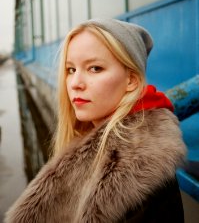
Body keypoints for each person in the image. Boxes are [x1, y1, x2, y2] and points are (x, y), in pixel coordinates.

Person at [5, 18, 186, 223]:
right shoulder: (90, 138)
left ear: (131, 81)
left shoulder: (140, 169)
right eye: (71, 70)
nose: (75, 83)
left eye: (95, 68)